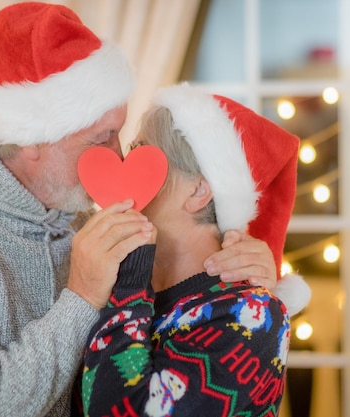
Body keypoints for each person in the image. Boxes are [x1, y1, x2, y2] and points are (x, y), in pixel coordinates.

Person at [0, 3, 281, 417]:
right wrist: (81, 298)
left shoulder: (85, 220)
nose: (118, 157)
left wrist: (249, 265)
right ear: (32, 139)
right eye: (103, 138)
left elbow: (170, 324)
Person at [73, 83, 311, 416]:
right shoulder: (111, 280)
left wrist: (129, 278)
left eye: (143, 151)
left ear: (199, 190)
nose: (125, 163)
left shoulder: (253, 314)